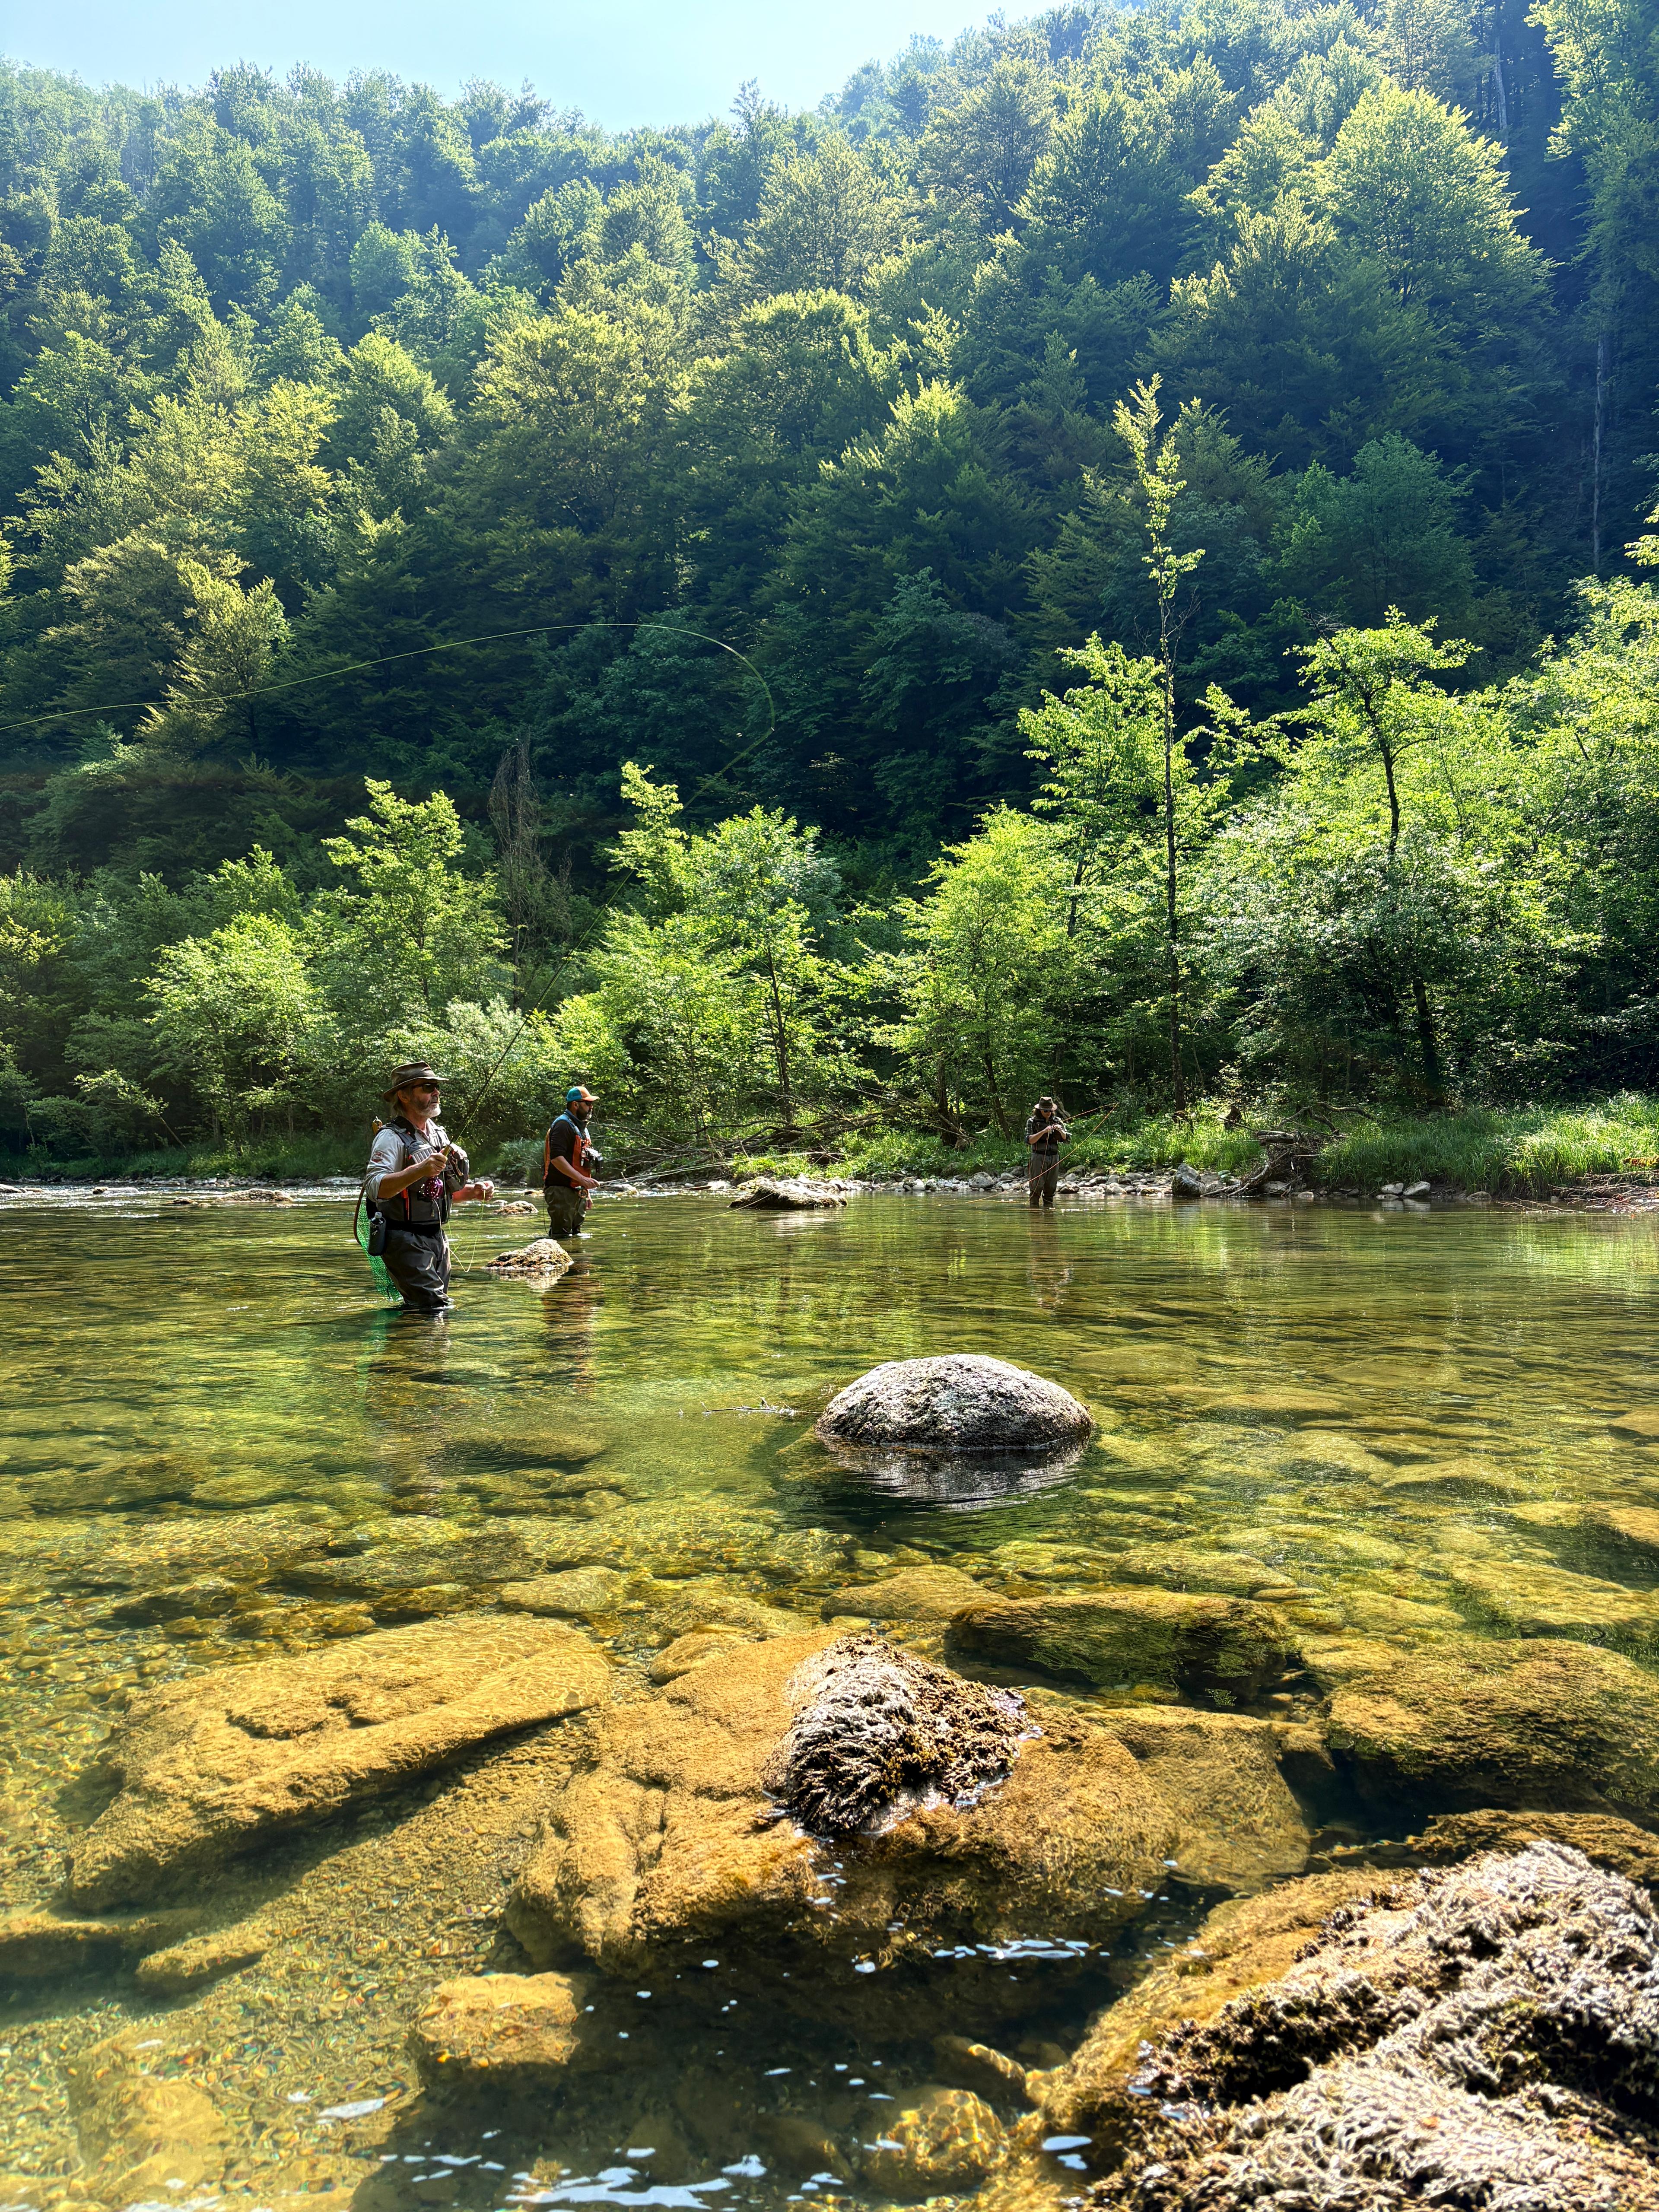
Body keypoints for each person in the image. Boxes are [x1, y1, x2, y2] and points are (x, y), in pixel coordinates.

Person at [362, 1062, 494, 1312]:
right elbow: (376, 1188)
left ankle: (412, 1349)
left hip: (436, 1237)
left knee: (425, 1312)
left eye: (437, 1087)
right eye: (428, 1087)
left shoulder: (438, 1135)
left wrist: (474, 1193)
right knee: (434, 1309)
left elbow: (436, 1192)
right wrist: (420, 1169)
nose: (436, 1092)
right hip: (403, 1239)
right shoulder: (390, 1137)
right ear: (404, 1095)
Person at [543, 1085, 601, 1240]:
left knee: (575, 1236)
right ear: (575, 1105)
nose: (591, 1107)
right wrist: (583, 1180)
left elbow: (583, 1163)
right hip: (561, 1191)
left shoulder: (581, 1128)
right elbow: (557, 1159)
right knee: (562, 1237)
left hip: (577, 1190)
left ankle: (577, 1265)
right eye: (588, 1103)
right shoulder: (563, 1125)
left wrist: (586, 1193)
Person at [1025, 1094, 1070, 1208]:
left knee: (1051, 1188)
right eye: (1046, 1111)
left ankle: (1049, 1215)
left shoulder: (1057, 1121)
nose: (1048, 1113)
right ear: (1040, 1110)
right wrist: (1044, 1132)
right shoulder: (1032, 1121)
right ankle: (1034, 1214)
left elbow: (1067, 1139)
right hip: (1038, 1157)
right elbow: (1029, 1140)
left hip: (1054, 1157)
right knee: (1036, 1187)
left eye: (1050, 1111)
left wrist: (1061, 1131)